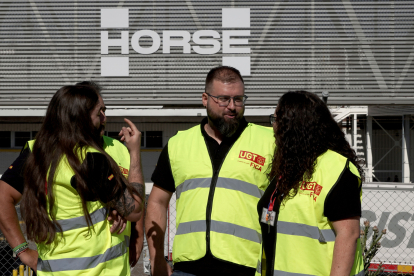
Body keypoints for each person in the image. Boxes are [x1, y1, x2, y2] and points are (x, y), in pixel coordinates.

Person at [0, 84, 145, 275]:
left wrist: (23, 251)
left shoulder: (42, 153)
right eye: (99, 112)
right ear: (81, 118)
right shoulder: (90, 158)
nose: (104, 118)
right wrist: (135, 153)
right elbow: (134, 210)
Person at [145, 66, 275, 276]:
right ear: (205, 99)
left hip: (246, 268)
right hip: (188, 268)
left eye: (239, 99)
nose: (232, 106)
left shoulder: (269, 141)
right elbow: (157, 202)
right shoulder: (179, 144)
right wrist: (155, 257)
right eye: (223, 99)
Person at [256, 90, 364, 276]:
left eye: (276, 120)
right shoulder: (289, 167)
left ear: (294, 126)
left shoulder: (338, 170)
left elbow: (349, 235)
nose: (273, 127)